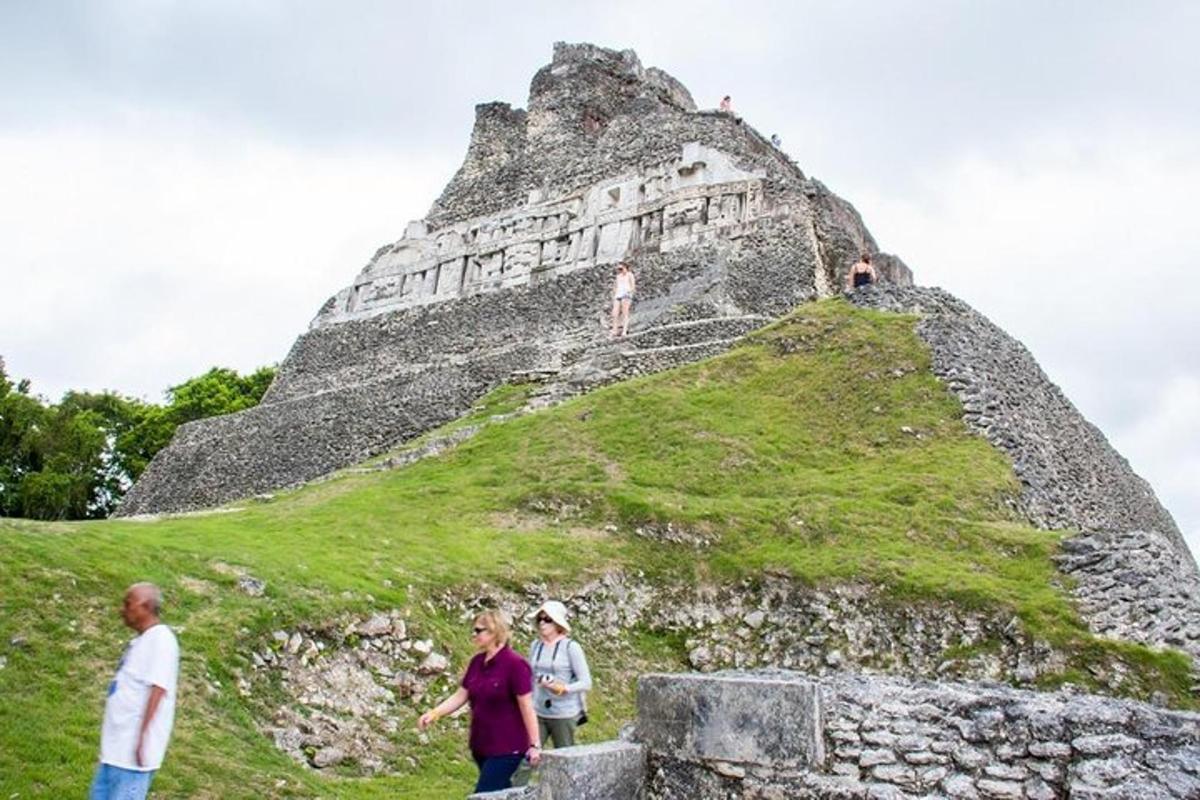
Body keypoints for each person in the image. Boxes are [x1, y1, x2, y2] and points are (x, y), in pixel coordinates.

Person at [419, 610, 541, 794]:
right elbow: (461, 695)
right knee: (502, 793)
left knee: (484, 793)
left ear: (494, 632)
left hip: (508, 747)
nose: (474, 635)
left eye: (478, 630)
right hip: (482, 745)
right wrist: (434, 713)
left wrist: (534, 745)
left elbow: (527, 706)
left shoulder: (516, 665)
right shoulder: (477, 662)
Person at [89, 583, 180, 800]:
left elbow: (158, 689)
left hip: (131, 761)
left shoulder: (161, 639)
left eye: (128, 604)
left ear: (146, 606)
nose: (122, 609)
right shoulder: (141, 641)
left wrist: (142, 739)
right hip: (114, 754)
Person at [529, 601, 592, 749]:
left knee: (564, 756)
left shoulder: (571, 647)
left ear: (558, 623)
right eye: (540, 619)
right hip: (538, 711)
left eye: (548, 619)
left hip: (563, 713)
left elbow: (586, 682)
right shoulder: (535, 646)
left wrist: (563, 688)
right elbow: (530, 676)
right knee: (527, 756)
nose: (542, 623)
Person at [610, 262, 635, 338]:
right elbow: (616, 286)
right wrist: (614, 294)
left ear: (625, 267)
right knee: (614, 313)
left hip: (626, 294)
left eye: (621, 268)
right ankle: (615, 330)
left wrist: (629, 292)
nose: (620, 270)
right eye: (619, 269)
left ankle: (624, 330)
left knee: (625, 312)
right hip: (618, 294)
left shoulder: (630, 275)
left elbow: (632, 285)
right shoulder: (618, 276)